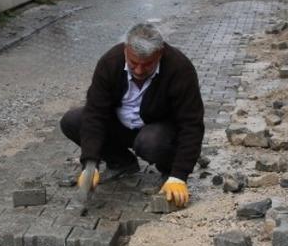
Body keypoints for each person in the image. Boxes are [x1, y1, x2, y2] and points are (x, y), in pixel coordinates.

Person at [60, 23, 204, 208]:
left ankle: (168, 172)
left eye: (147, 65)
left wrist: (180, 174)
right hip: (121, 126)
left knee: (151, 142)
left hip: (158, 130)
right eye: (133, 63)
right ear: (125, 50)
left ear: (160, 54)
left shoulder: (179, 68)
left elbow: (192, 124)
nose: (139, 71)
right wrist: (90, 162)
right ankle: (121, 163)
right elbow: (95, 114)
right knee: (73, 120)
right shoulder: (110, 62)